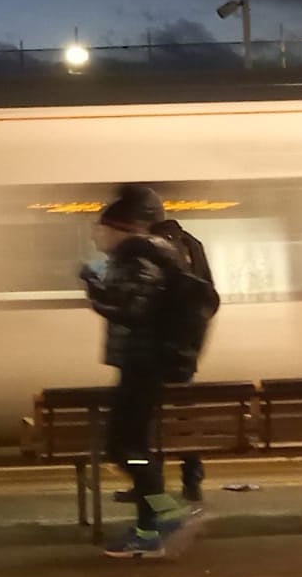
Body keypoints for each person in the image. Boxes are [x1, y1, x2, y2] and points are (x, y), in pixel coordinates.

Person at [81, 190, 194, 557]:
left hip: (142, 364)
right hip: (142, 363)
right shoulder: (144, 256)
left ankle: (162, 518)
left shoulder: (140, 257)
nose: (96, 235)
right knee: (134, 448)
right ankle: (152, 527)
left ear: (120, 229)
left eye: (101, 228)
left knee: (125, 448)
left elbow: (131, 310)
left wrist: (94, 289)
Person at [97, 185, 217, 505]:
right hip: (179, 351)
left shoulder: (148, 253)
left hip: (149, 355)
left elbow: (135, 308)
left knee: (137, 436)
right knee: (179, 417)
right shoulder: (189, 245)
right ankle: (186, 483)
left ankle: (156, 500)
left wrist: (100, 296)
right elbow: (207, 297)